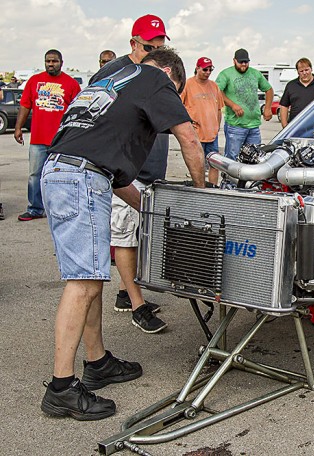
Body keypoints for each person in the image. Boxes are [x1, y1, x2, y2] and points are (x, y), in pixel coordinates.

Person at [39, 47, 205, 421]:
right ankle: (61, 388)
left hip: (65, 173)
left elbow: (118, 179)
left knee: (91, 277)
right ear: (169, 73)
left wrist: (156, 210)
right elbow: (191, 140)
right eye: (176, 91)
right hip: (82, 178)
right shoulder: (156, 78)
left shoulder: (109, 82)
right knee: (82, 283)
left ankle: (97, 363)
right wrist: (199, 196)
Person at [89, 14, 171, 333]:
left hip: (148, 169)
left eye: (161, 49)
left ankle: (126, 293)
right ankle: (138, 307)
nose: (155, 54)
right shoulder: (114, 73)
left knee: (139, 233)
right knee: (125, 234)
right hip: (125, 170)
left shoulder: (153, 71)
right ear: (133, 43)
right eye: (149, 48)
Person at [14, 50, 81, 221]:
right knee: (35, 175)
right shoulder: (34, 81)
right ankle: (35, 208)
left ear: (61, 62)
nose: (51, 64)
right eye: (48, 61)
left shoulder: (71, 84)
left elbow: (77, 112)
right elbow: (25, 105)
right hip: (38, 138)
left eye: (54, 61)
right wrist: (18, 128)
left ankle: (61, 209)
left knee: (61, 175)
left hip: (61, 140)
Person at [215, 48, 273, 160]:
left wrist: (268, 108)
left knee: (254, 157)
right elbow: (217, 92)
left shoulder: (255, 74)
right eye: (240, 62)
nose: (243, 64)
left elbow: (269, 89)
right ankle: (230, 178)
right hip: (235, 126)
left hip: (254, 126)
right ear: (234, 61)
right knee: (233, 157)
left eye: (246, 62)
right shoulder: (226, 74)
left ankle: (249, 178)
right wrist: (232, 105)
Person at [180, 57, 223, 185]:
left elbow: (219, 109)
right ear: (197, 68)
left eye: (210, 69)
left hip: (212, 134)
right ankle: (199, 188)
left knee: (214, 164)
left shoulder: (214, 86)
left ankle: (213, 188)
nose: (208, 72)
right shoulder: (188, 84)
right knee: (197, 165)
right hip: (196, 134)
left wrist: (217, 127)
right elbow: (178, 106)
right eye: (205, 69)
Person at [279, 57, 314, 127]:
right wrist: (284, 125)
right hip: (295, 127)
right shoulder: (291, 85)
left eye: (307, 70)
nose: (304, 73)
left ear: (311, 69)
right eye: (301, 71)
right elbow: (284, 106)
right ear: (297, 72)